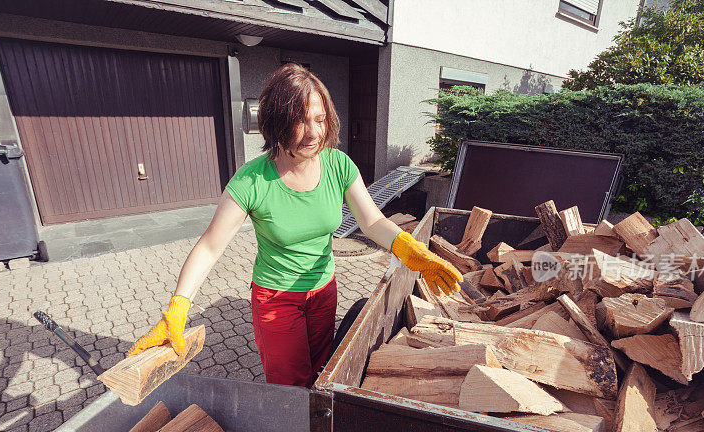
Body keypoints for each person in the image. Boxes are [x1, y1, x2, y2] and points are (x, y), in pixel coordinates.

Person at [127, 63, 463, 388]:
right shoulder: (251, 180)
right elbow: (210, 247)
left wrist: (410, 248)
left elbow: (372, 221)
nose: (314, 133)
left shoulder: (338, 165)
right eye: (301, 121)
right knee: (290, 386)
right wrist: (179, 305)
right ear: (277, 122)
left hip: (323, 291)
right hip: (276, 300)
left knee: (321, 373)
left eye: (320, 119)